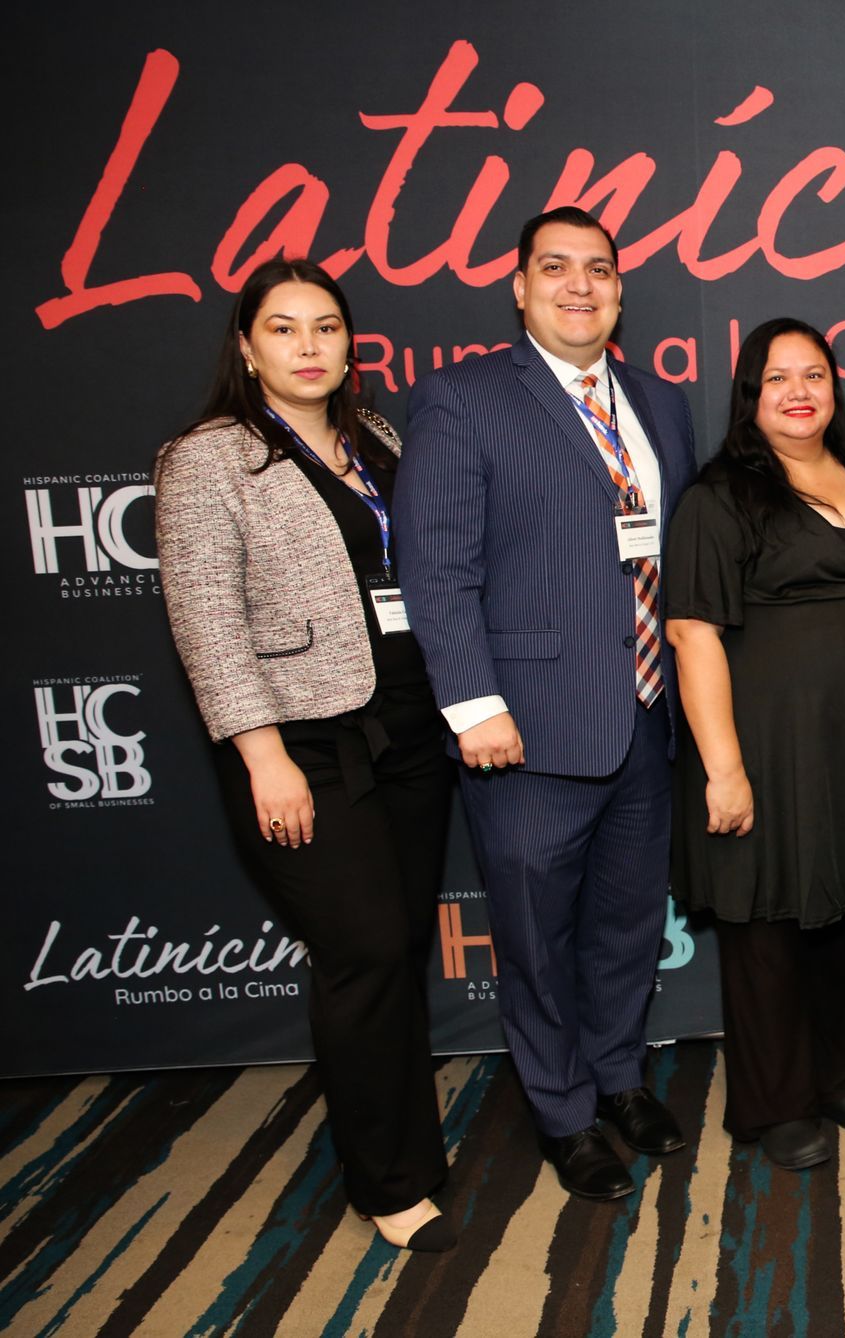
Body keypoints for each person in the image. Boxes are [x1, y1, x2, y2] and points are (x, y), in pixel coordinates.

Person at [393, 206, 696, 1200]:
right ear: (519, 288)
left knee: (625, 927)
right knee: (533, 939)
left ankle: (618, 1078)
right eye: (556, 268)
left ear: (620, 290)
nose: (580, 286)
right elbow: (436, 567)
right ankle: (563, 1113)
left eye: (599, 269)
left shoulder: (659, 401)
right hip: (523, 729)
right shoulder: (464, 398)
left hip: (646, 715)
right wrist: (473, 705)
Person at [156, 259, 455, 1252]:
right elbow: (206, 624)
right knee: (362, 951)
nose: (309, 346)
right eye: (283, 329)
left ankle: (412, 1146)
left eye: (325, 326)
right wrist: (264, 758)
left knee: (399, 950)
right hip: (304, 744)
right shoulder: (209, 458)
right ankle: (387, 1183)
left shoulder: (376, 436)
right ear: (247, 348)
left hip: (409, 731)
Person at [664, 318, 845, 1172]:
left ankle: (833, 1077)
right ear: (750, 394)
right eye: (776, 378)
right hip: (768, 743)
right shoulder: (720, 497)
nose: (798, 392)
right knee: (768, 923)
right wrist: (725, 769)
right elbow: (692, 633)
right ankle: (772, 1104)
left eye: (813, 374)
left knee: (838, 914)